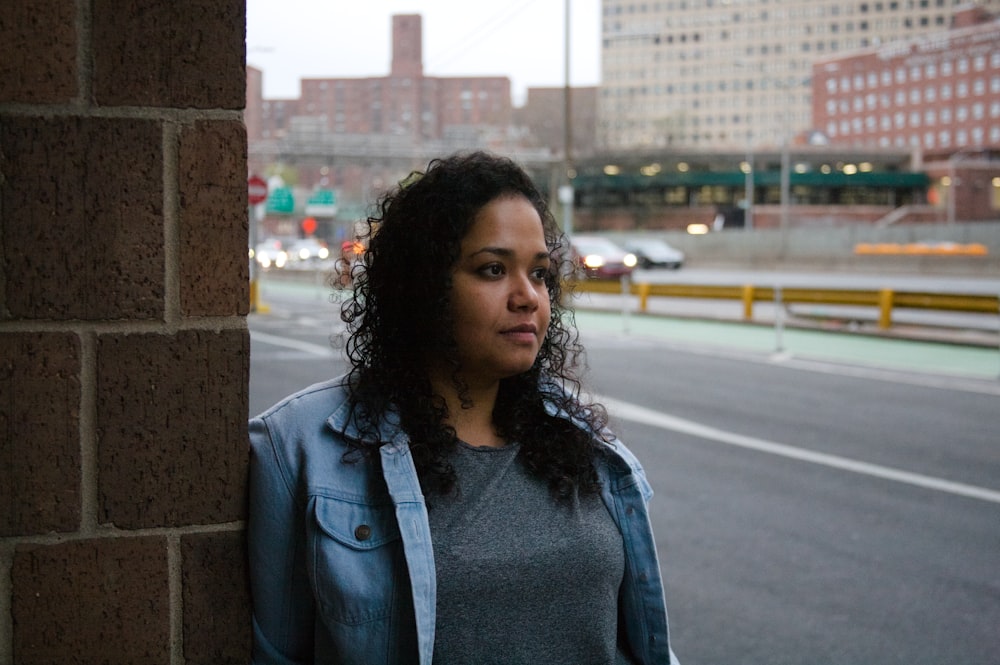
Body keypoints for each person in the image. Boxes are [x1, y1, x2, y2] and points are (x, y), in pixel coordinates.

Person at [248, 151, 680, 665]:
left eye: (540, 274)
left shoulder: (590, 448)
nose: (528, 298)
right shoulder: (296, 448)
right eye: (493, 269)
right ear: (423, 286)